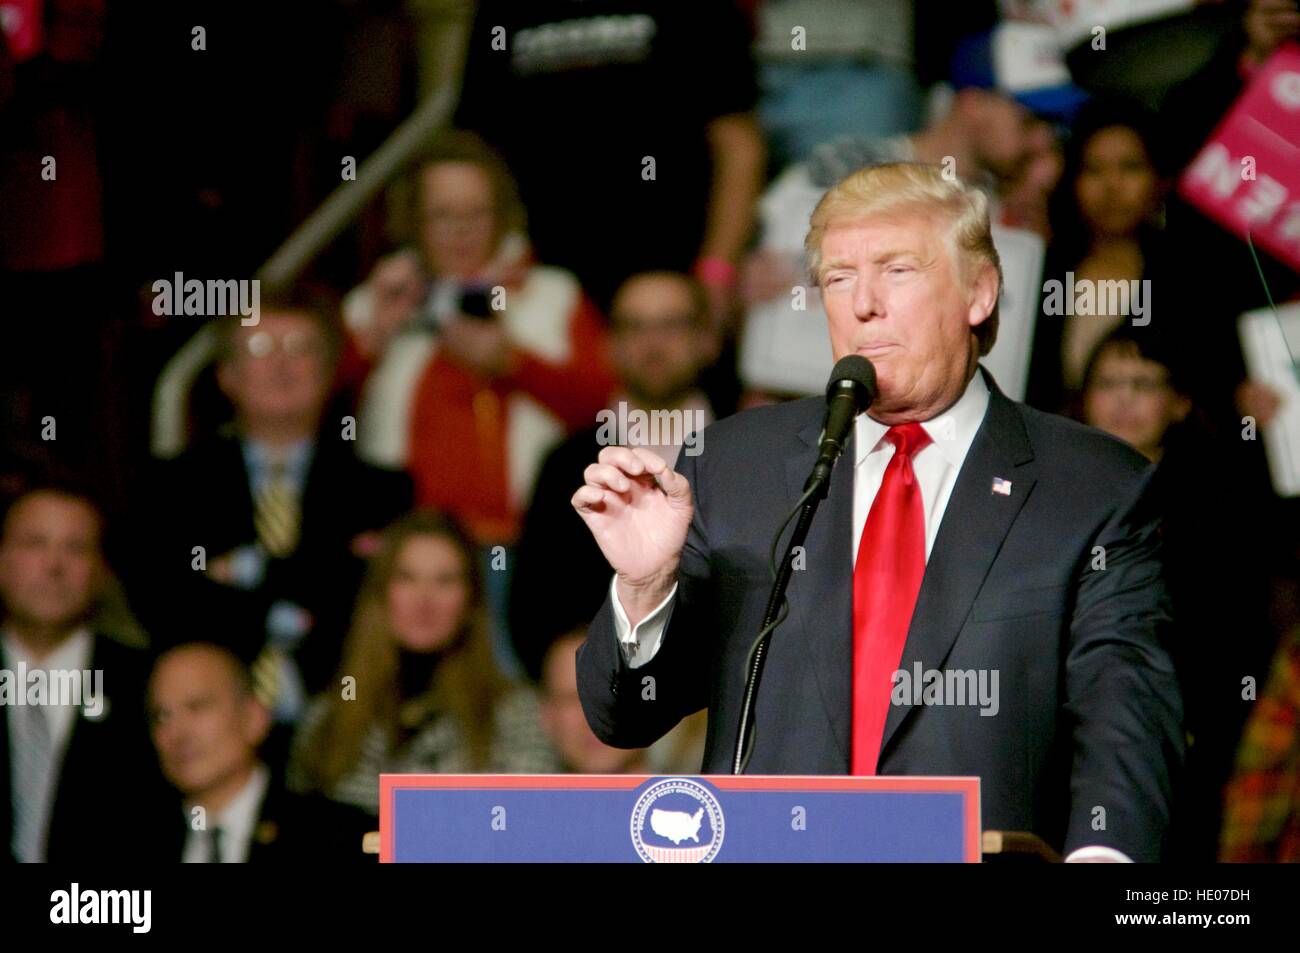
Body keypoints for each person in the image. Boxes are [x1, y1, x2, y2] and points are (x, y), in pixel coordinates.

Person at [572, 162, 1183, 862]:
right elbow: (625, 717)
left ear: (979, 293)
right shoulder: (731, 465)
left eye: (897, 271)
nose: (863, 303)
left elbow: (1125, 718)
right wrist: (647, 588)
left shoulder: (1094, 486)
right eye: (837, 278)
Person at [132, 286, 413, 748]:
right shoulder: (170, 487)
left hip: (353, 726)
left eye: (300, 349)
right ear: (226, 374)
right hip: (210, 730)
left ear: (328, 372)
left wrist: (248, 571)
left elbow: (366, 611)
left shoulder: (383, 493)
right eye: (261, 349)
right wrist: (318, 572)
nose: (281, 365)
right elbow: (170, 605)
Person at [508, 271, 717, 679]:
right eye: (634, 326)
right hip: (602, 705)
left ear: (707, 339)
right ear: (610, 344)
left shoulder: (752, 452)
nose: (653, 344)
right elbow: (534, 610)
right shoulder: (566, 465)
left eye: (672, 325)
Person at [288, 511, 559, 817]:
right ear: (380, 593)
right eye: (407, 578)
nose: (424, 600)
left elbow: (525, 830)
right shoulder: (327, 717)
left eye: (445, 581)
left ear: (471, 599)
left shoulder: (518, 714)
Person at [0, 485, 170, 862]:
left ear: (100, 571)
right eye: (34, 544)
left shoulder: (147, 684)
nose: (54, 565)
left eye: (76, 549)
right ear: (3, 560)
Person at [148, 642, 373, 863]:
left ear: (255, 718)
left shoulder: (336, 837)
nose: (177, 732)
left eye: (197, 707)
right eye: (161, 715)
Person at [1026, 100, 1174, 415]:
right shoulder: (1044, 274)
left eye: (1130, 167)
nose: (1112, 186)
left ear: (1159, 180)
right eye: (1094, 170)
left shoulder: (1185, 277)